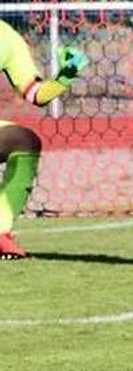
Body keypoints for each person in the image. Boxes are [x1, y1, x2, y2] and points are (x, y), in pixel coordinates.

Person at [0, 19, 88, 258]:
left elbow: (36, 93)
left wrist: (65, 76)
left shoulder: (7, 37)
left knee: (24, 141)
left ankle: (1, 232)